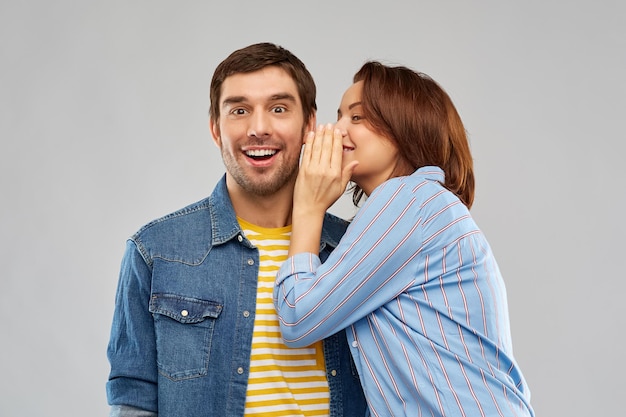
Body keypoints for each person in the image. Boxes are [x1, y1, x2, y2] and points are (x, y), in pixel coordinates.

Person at [106, 42, 366, 417]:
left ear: (310, 124)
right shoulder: (155, 252)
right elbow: (133, 402)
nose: (258, 128)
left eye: (278, 109)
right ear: (216, 128)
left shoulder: (359, 250)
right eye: (239, 110)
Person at [273, 61, 535, 416]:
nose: (336, 131)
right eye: (339, 117)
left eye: (358, 118)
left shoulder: (408, 200)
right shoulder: (419, 204)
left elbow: (298, 317)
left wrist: (307, 206)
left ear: (402, 128)